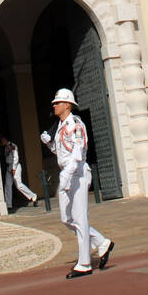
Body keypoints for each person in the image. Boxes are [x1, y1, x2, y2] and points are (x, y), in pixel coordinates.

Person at [41, 88, 114, 278]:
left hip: (78, 173)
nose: (54, 105)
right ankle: (101, 242)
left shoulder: (76, 124)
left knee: (80, 218)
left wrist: (69, 172)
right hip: (66, 172)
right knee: (67, 218)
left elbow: (78, 151)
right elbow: (62, 152)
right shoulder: (59, 127)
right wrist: (49, 144)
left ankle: (84, 263)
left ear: (67, 105)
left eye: (57, 103)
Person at [0, 136, 38, 209]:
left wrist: (13, 168)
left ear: (5, 140)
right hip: (9, 167)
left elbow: (16, 157)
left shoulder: (12, 145)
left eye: (2, 141)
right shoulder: (5, 147)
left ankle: (33, 196)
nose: (1, 143)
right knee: (7, 186)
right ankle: (8, 205)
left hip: (15, 166)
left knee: (19, 185)